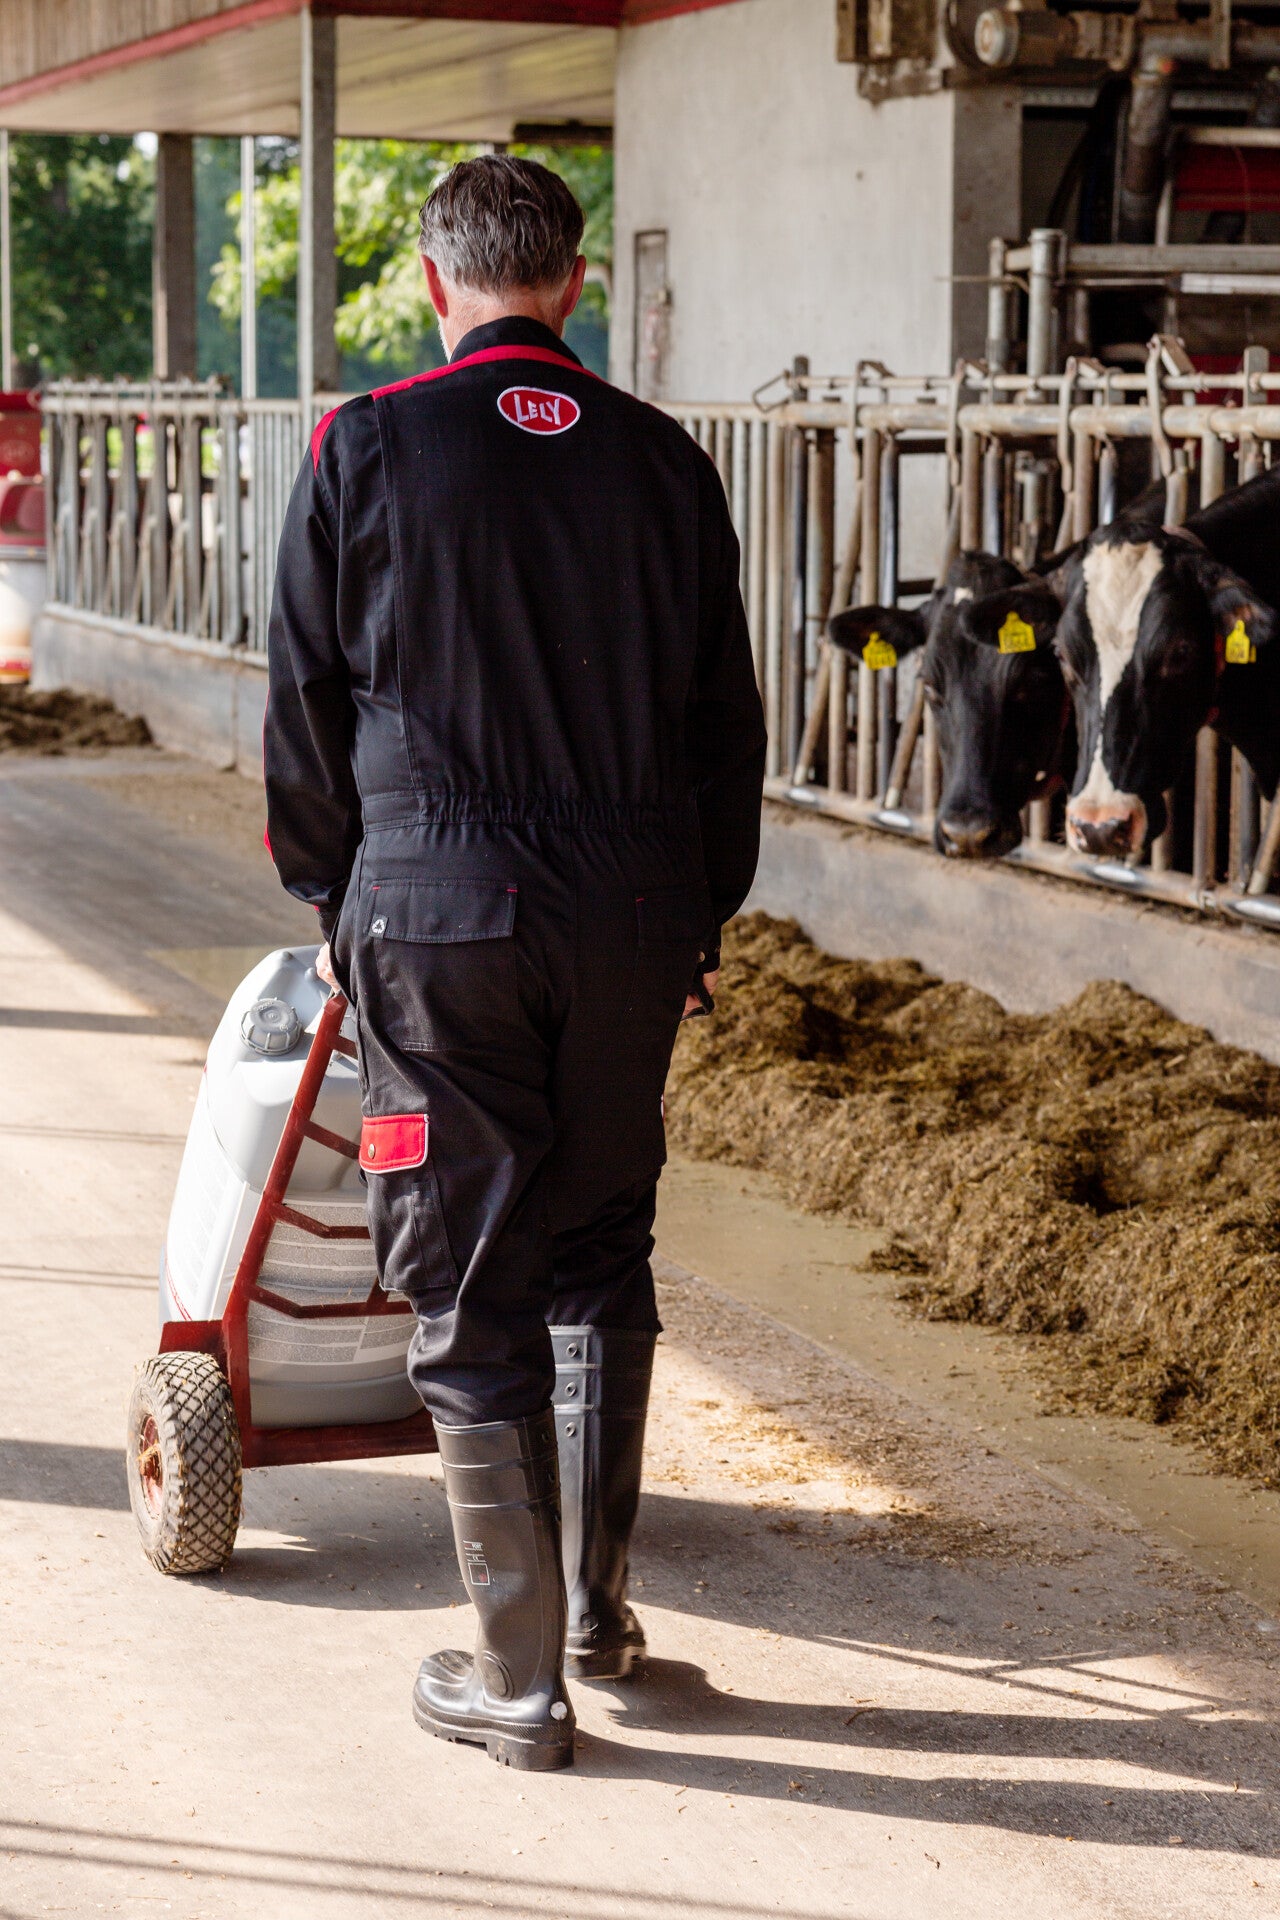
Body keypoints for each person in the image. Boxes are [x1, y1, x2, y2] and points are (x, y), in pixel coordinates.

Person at [265, 155, 766, 1772]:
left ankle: (516, 1678)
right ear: (568, 284)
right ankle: (603, 1617)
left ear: (435, 282)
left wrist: (334, 897)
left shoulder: (365, 444)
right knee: (601, 1243)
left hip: (439, 913)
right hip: (632, 915)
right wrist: (699, 922)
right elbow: (722, 731)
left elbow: (305, 707)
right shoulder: (666, 465)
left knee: (466, 1277)